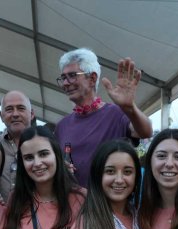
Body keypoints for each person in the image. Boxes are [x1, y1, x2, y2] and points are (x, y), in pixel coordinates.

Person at [54, 48, 153, 187]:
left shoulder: (116, 114)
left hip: (109, 200)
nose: (65, 83)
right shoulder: (62, 126)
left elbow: (146, 131)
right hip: (72, 200)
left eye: (72, 75)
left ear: (92, 79)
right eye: (63, 78)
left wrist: (130, 108)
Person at [0, 91, 35, 199]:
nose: (15, 114)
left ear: (32, 114)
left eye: (21, 108)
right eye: (9, 109)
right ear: (1, 116)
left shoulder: (46, 146)